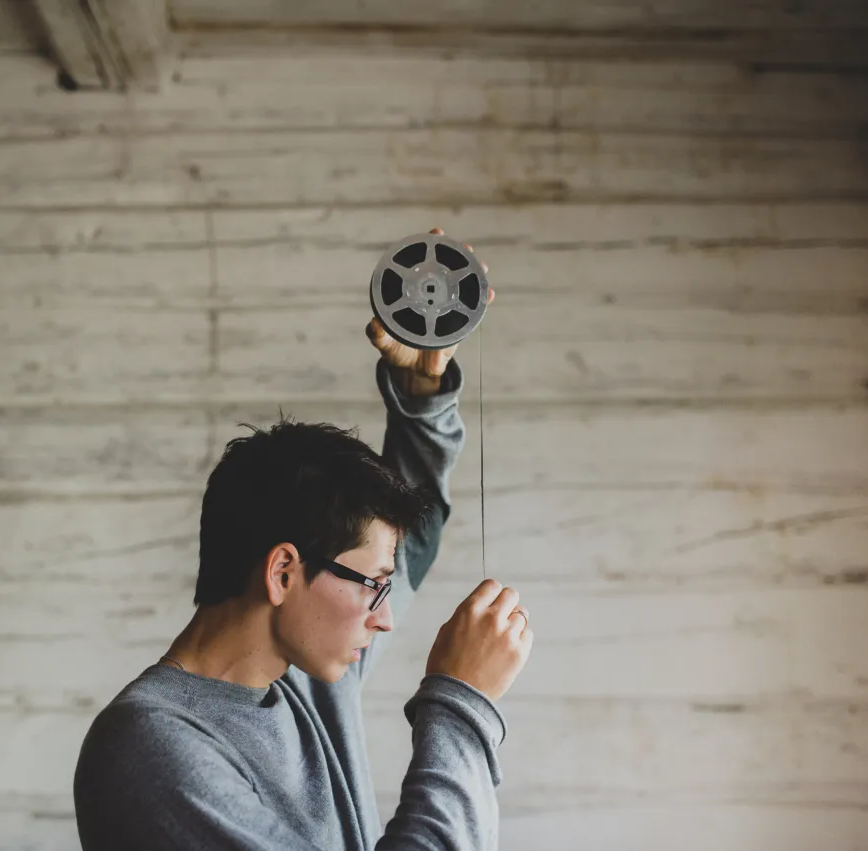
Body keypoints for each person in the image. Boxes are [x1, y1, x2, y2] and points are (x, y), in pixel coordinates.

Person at [73, 229, 533, 850]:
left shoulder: (307, 680)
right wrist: (461, 706)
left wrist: (422, 394)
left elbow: (406, 535)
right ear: (283, 572)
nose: (386, 620)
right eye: (374, 588)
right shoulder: (156, 748)